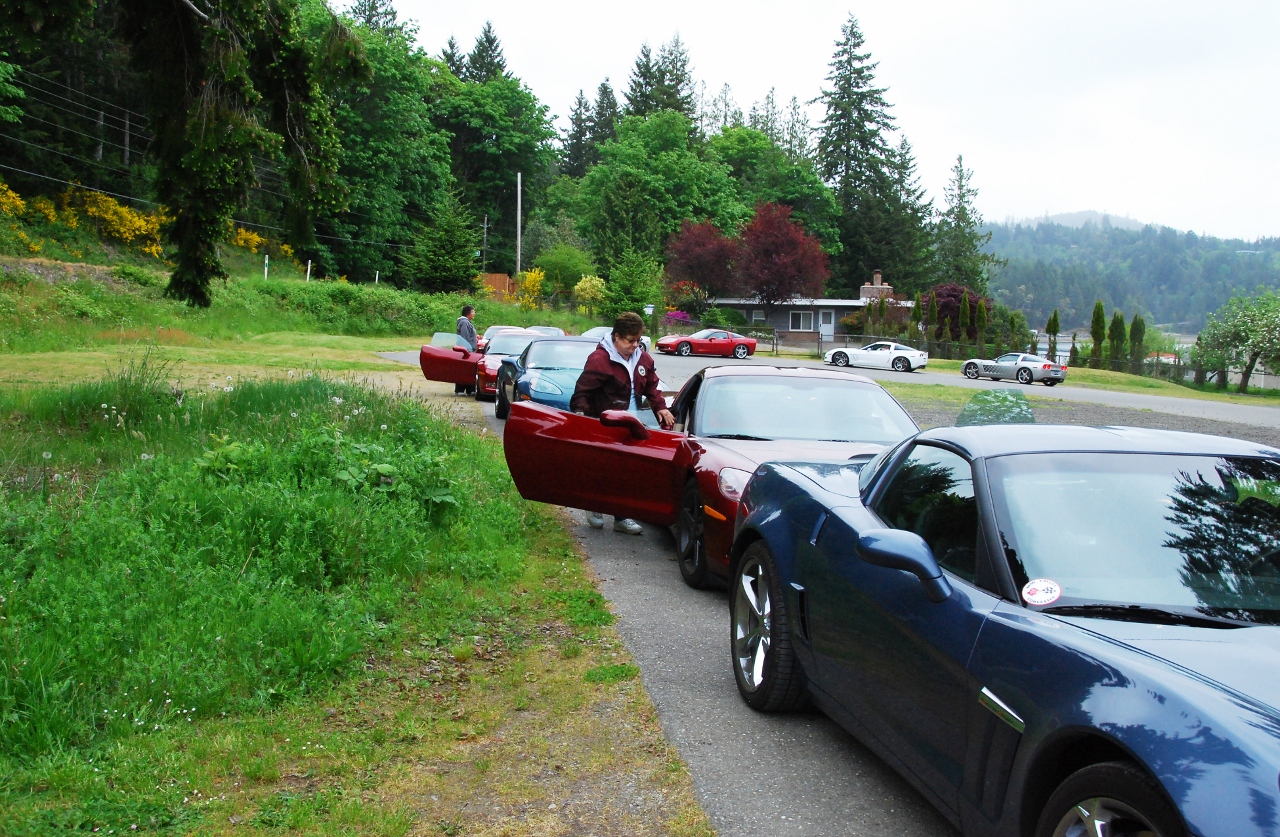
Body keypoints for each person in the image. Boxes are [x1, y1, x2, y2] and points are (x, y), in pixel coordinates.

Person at [571, 312, 675, 535]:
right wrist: (580, 418)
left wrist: (661, 407)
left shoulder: (643, 359)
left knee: (627, 472)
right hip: (604, 424)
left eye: (638, 340)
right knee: (602, 469)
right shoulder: (599, 360)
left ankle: (622, 517)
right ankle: (595, 507)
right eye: (630, 340)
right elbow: (582, 392)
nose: (634, 345)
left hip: (631, 425)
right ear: (616, 337)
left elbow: (652, 387)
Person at [455, 304, 477, 395]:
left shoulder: (467, 322)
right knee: (464, 370)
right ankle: (460, 389)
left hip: (469, 351)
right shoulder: (464, 323)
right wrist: (467, 349)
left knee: (469, 370)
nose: (474, 313)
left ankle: (470, 389)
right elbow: (464, 337)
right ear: (468, 313)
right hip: (466, 351)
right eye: (472, 311)